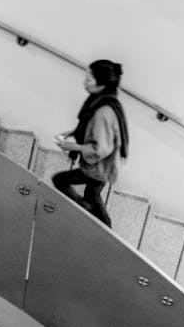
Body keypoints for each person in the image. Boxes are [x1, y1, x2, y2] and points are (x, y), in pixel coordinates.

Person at [51, 59, 129, 227]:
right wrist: (73, 132)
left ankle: (90, 213)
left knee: (59, 180)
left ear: (101, 83)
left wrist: (75, 147)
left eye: (88, 80)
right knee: (92, 195)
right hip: (104, 167)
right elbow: (90, 126)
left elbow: (100, 149)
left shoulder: (103, 112)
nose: (84, 83)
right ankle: (106, 228)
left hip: (99, 168)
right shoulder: (100, 101)